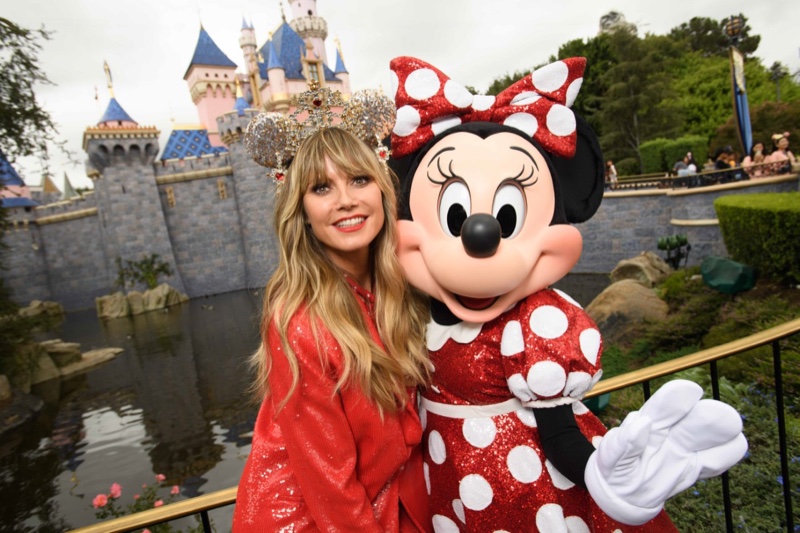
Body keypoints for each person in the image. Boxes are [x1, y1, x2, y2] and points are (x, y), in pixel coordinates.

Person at [232, 125, 432, 532]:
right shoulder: (299, 320)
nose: (345, 201)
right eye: (321, 188)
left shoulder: (402, 286)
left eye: (359, 179)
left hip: (383, 499)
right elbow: (332, 487)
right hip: (312, 519)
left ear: (382, 189)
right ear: (302, 213)